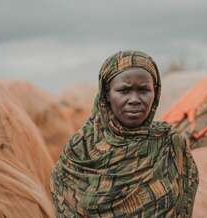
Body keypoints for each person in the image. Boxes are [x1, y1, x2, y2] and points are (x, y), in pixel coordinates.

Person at [50, 50, 199, 217]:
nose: (135, 99)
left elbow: (184, 202)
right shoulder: (80, 151)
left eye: (144, 90)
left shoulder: (170, 143)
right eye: (124, 91)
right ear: (106, 95)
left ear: (155, 93)